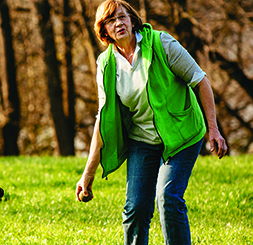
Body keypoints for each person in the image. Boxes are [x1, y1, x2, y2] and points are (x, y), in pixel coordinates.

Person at [75, 0, 228, 244]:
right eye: (111, 20)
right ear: (104, 30)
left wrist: (213, 129)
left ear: (132, 20)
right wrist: (87, 175)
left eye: (123, 17)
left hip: (182, 134)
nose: (119, 23)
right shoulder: (106, 64)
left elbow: (201, 81)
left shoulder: (161, 43)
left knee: (168, 197)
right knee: (135, 208)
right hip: (143, 140)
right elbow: (102, 120)